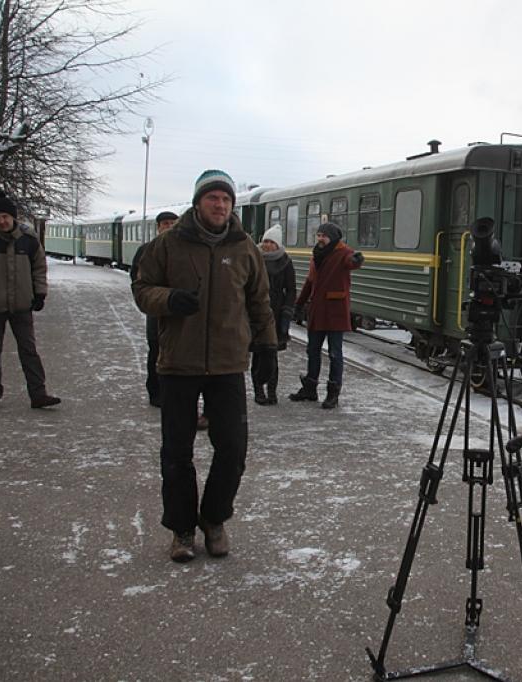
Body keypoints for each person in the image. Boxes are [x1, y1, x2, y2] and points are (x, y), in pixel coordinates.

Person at [132, 170, 277, 563]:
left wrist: (266, 346)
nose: (220, 205)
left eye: (226, 200)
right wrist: (169, 300)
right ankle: (181, 529)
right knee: (176, 453)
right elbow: (142, 288)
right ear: (198, 202)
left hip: (229, 364)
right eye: (213, 198)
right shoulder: (167, 244)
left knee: (232, 449)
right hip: (179, 362)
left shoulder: (245, 247)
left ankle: (213, 519)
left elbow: (259, 300)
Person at [0, 191, 61, 410]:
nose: (2, 221)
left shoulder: (28, 240)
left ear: (13, 217)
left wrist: (40, 293)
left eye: (5, 216)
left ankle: (38, 394)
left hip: (21, 305)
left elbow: (39, 267)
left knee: (28, 350)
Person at [288, 222, 363, 409]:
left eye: (324, 235)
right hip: (317, 311)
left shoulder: (343, 252)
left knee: (335, 354)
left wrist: (357, 260)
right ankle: (310, 389)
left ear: (333, 237)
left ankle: (333, 393)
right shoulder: (317, 254)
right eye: (319, 235)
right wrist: (298, 304)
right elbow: (310, 281)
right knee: (312, 351)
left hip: (335, 313)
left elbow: (351, 262)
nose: (320, 238)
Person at [130, 211, 178, 408]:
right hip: (156, 310)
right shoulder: (146, 250)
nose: (169, 227)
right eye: (165, 223)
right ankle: (155, 392)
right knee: (155, 350)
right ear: (158, 227)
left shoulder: (182, 250)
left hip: (177, 310)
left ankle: (172, 392)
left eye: (172, 223)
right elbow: (136, 278)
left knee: (176, 352)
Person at [252, 225, 296, 405]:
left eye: (271, 242)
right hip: (256, 313)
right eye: (265, 241)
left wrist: (287, 310)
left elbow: (291, 289)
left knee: (272, 354)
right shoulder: (254, 259)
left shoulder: (285, 261)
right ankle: (258, 391)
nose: (267, 245)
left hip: (276, 314)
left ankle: (271, 390)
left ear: (277, 245)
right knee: (257, 353)